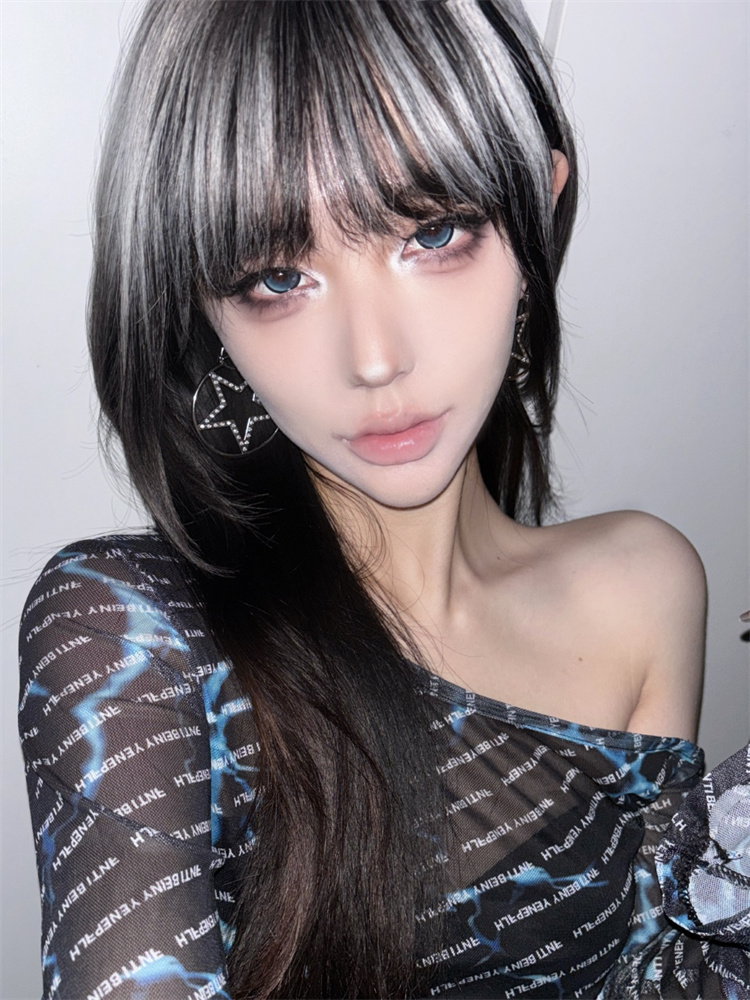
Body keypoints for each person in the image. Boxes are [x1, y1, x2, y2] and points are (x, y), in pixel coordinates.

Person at [17, 1, 750, 998]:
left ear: (538, 213)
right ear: (204, 307)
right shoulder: (131, 633)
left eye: (432, 232)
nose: (374, 359)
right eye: (278, 277)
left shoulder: (645, 585)